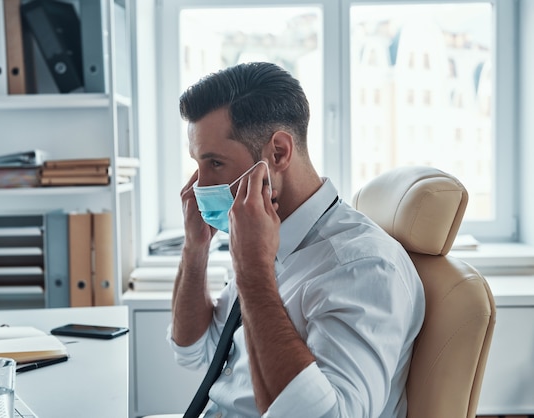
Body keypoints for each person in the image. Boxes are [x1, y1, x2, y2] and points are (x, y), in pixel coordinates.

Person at [168, 61, 425, 418]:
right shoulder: (268, 234)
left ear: (278, 153)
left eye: (214, 163)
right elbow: (193, 352)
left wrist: (254, 271)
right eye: (197, 164)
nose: (201, 186)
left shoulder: (363, 265)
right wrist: (195, 249)